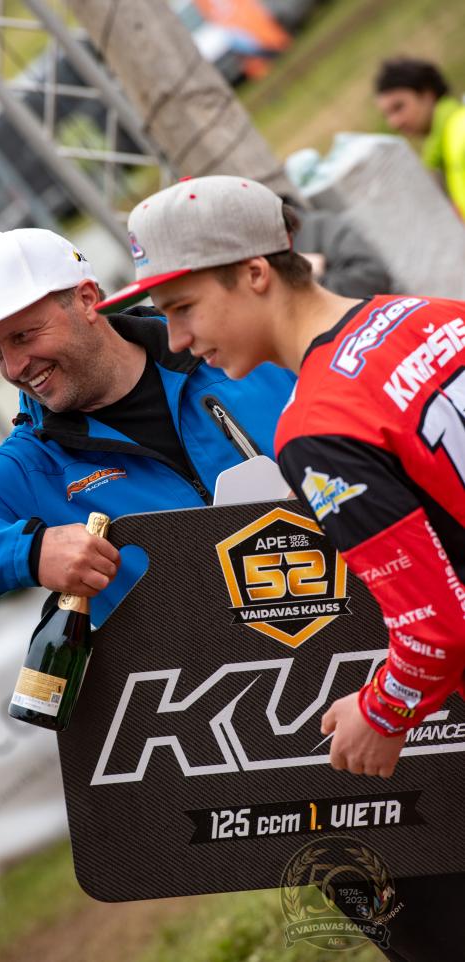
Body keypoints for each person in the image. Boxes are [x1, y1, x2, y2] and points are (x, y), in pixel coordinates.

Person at [96, 174, 465, 962]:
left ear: (256, 272)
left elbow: (436, 628)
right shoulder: (430, 316)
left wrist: (382, 713)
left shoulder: (319, 425)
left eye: (183, 308)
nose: (178, 339)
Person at [0, 228, 296, 626]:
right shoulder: (29, 467)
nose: (14, 367)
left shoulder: (234, 345)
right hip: (247, 678)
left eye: (23, 336)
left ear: (87, 299)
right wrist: (29, 553)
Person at [374, 57, 465, 219]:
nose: (394, 123)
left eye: (399, 107)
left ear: (427, 95)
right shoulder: (442, 150)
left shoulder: (460, 134)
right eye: (386, 115)